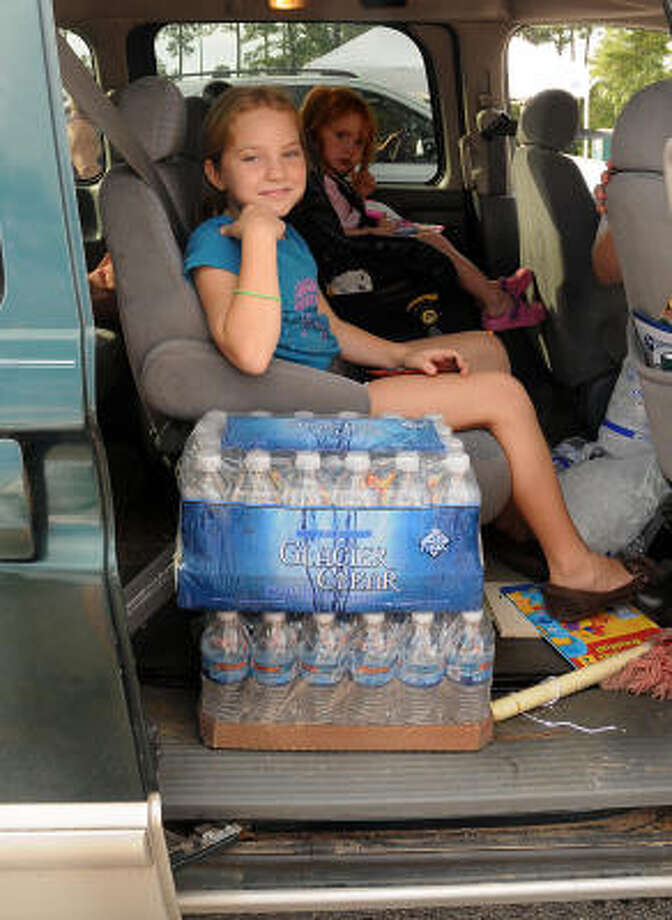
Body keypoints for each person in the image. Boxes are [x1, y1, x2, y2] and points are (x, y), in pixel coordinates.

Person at [183, 85, 651, 618]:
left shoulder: (287, 237)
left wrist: (405, 357)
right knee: (504, 396)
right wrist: (260, 240)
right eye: (252, 158)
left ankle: (519, 515)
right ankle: (573, 566)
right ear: (217, 174)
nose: (276, 171)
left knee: (487, 351)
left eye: (289, 154)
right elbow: (248, 353)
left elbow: (328, 328)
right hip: (309, 412)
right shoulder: (220, 241)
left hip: (333, 381)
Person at [293, 85, 545, 333]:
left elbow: (343, 218)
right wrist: (375, 233)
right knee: (432, 242)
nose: (350, 148)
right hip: (351, 258)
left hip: (360, 245)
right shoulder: (313, 185)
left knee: (435, 238)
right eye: (340, 136)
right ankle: (497, 306)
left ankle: (488, 291)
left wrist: (362, 203)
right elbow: (327, 238)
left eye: (358, 142)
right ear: (314, 134)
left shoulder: (330, 181)